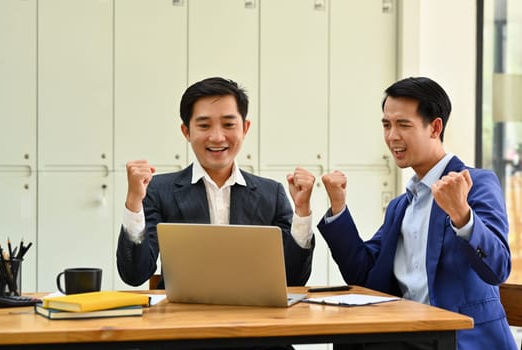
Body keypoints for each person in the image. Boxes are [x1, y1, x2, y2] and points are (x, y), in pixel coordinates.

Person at [316, 77, 517, 350]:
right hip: (409, 334)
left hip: (461, 339)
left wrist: (462, 216)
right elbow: (362, 275)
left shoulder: (477, 184)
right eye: (386, 125)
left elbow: (499, 268)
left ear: (435, 127)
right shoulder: (402, 206)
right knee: (348, 341)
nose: (392, 136)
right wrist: (338, 205)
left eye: (403, 125)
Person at [116, 77, 315, 292]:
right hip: (182, 316)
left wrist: (302, 212)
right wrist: (134, 203)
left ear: (245, 128)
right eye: (204, 125)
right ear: (186, 132)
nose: (218, 137)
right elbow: (134, 275)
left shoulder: (271, 193)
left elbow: (294, 280)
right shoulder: (159, 190)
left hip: (254, 315)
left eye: (229, 124)